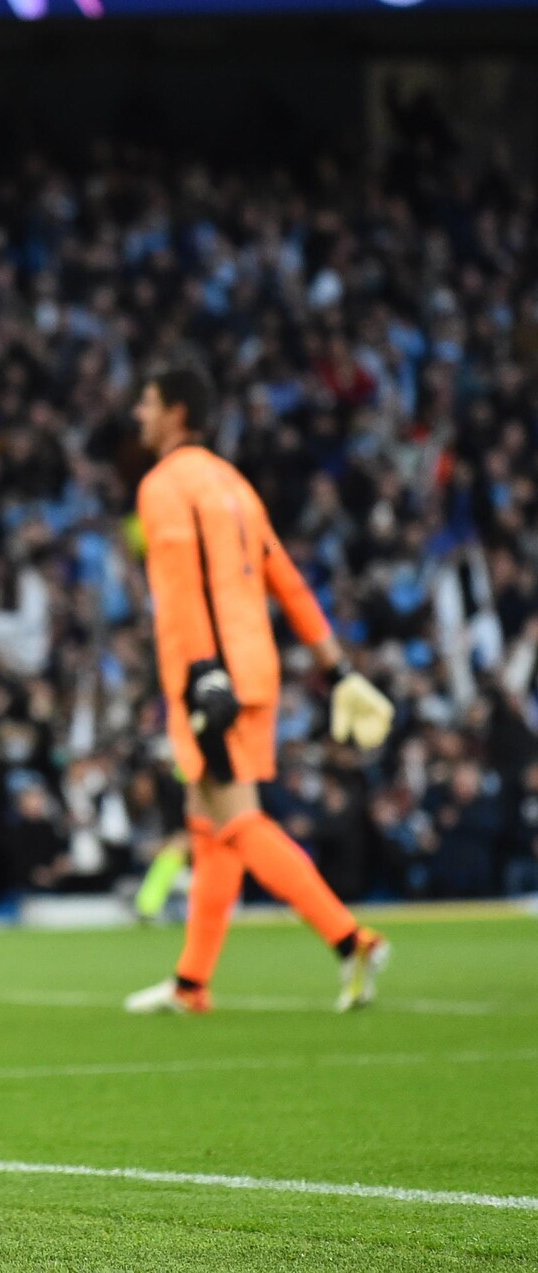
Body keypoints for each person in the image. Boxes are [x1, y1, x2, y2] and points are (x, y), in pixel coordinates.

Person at [123, 364, 397, 1016]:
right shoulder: (234, 485)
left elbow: (181, 588)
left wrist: (203, 672)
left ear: (178, 411)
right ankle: (192, 983)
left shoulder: (164, 485)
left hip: (211, 676)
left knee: (238, 821)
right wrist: (336, 668)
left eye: (149, 402)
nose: (139, 413)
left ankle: (351, 939)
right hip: (252, 669)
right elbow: (287, 580)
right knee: (208, 824)